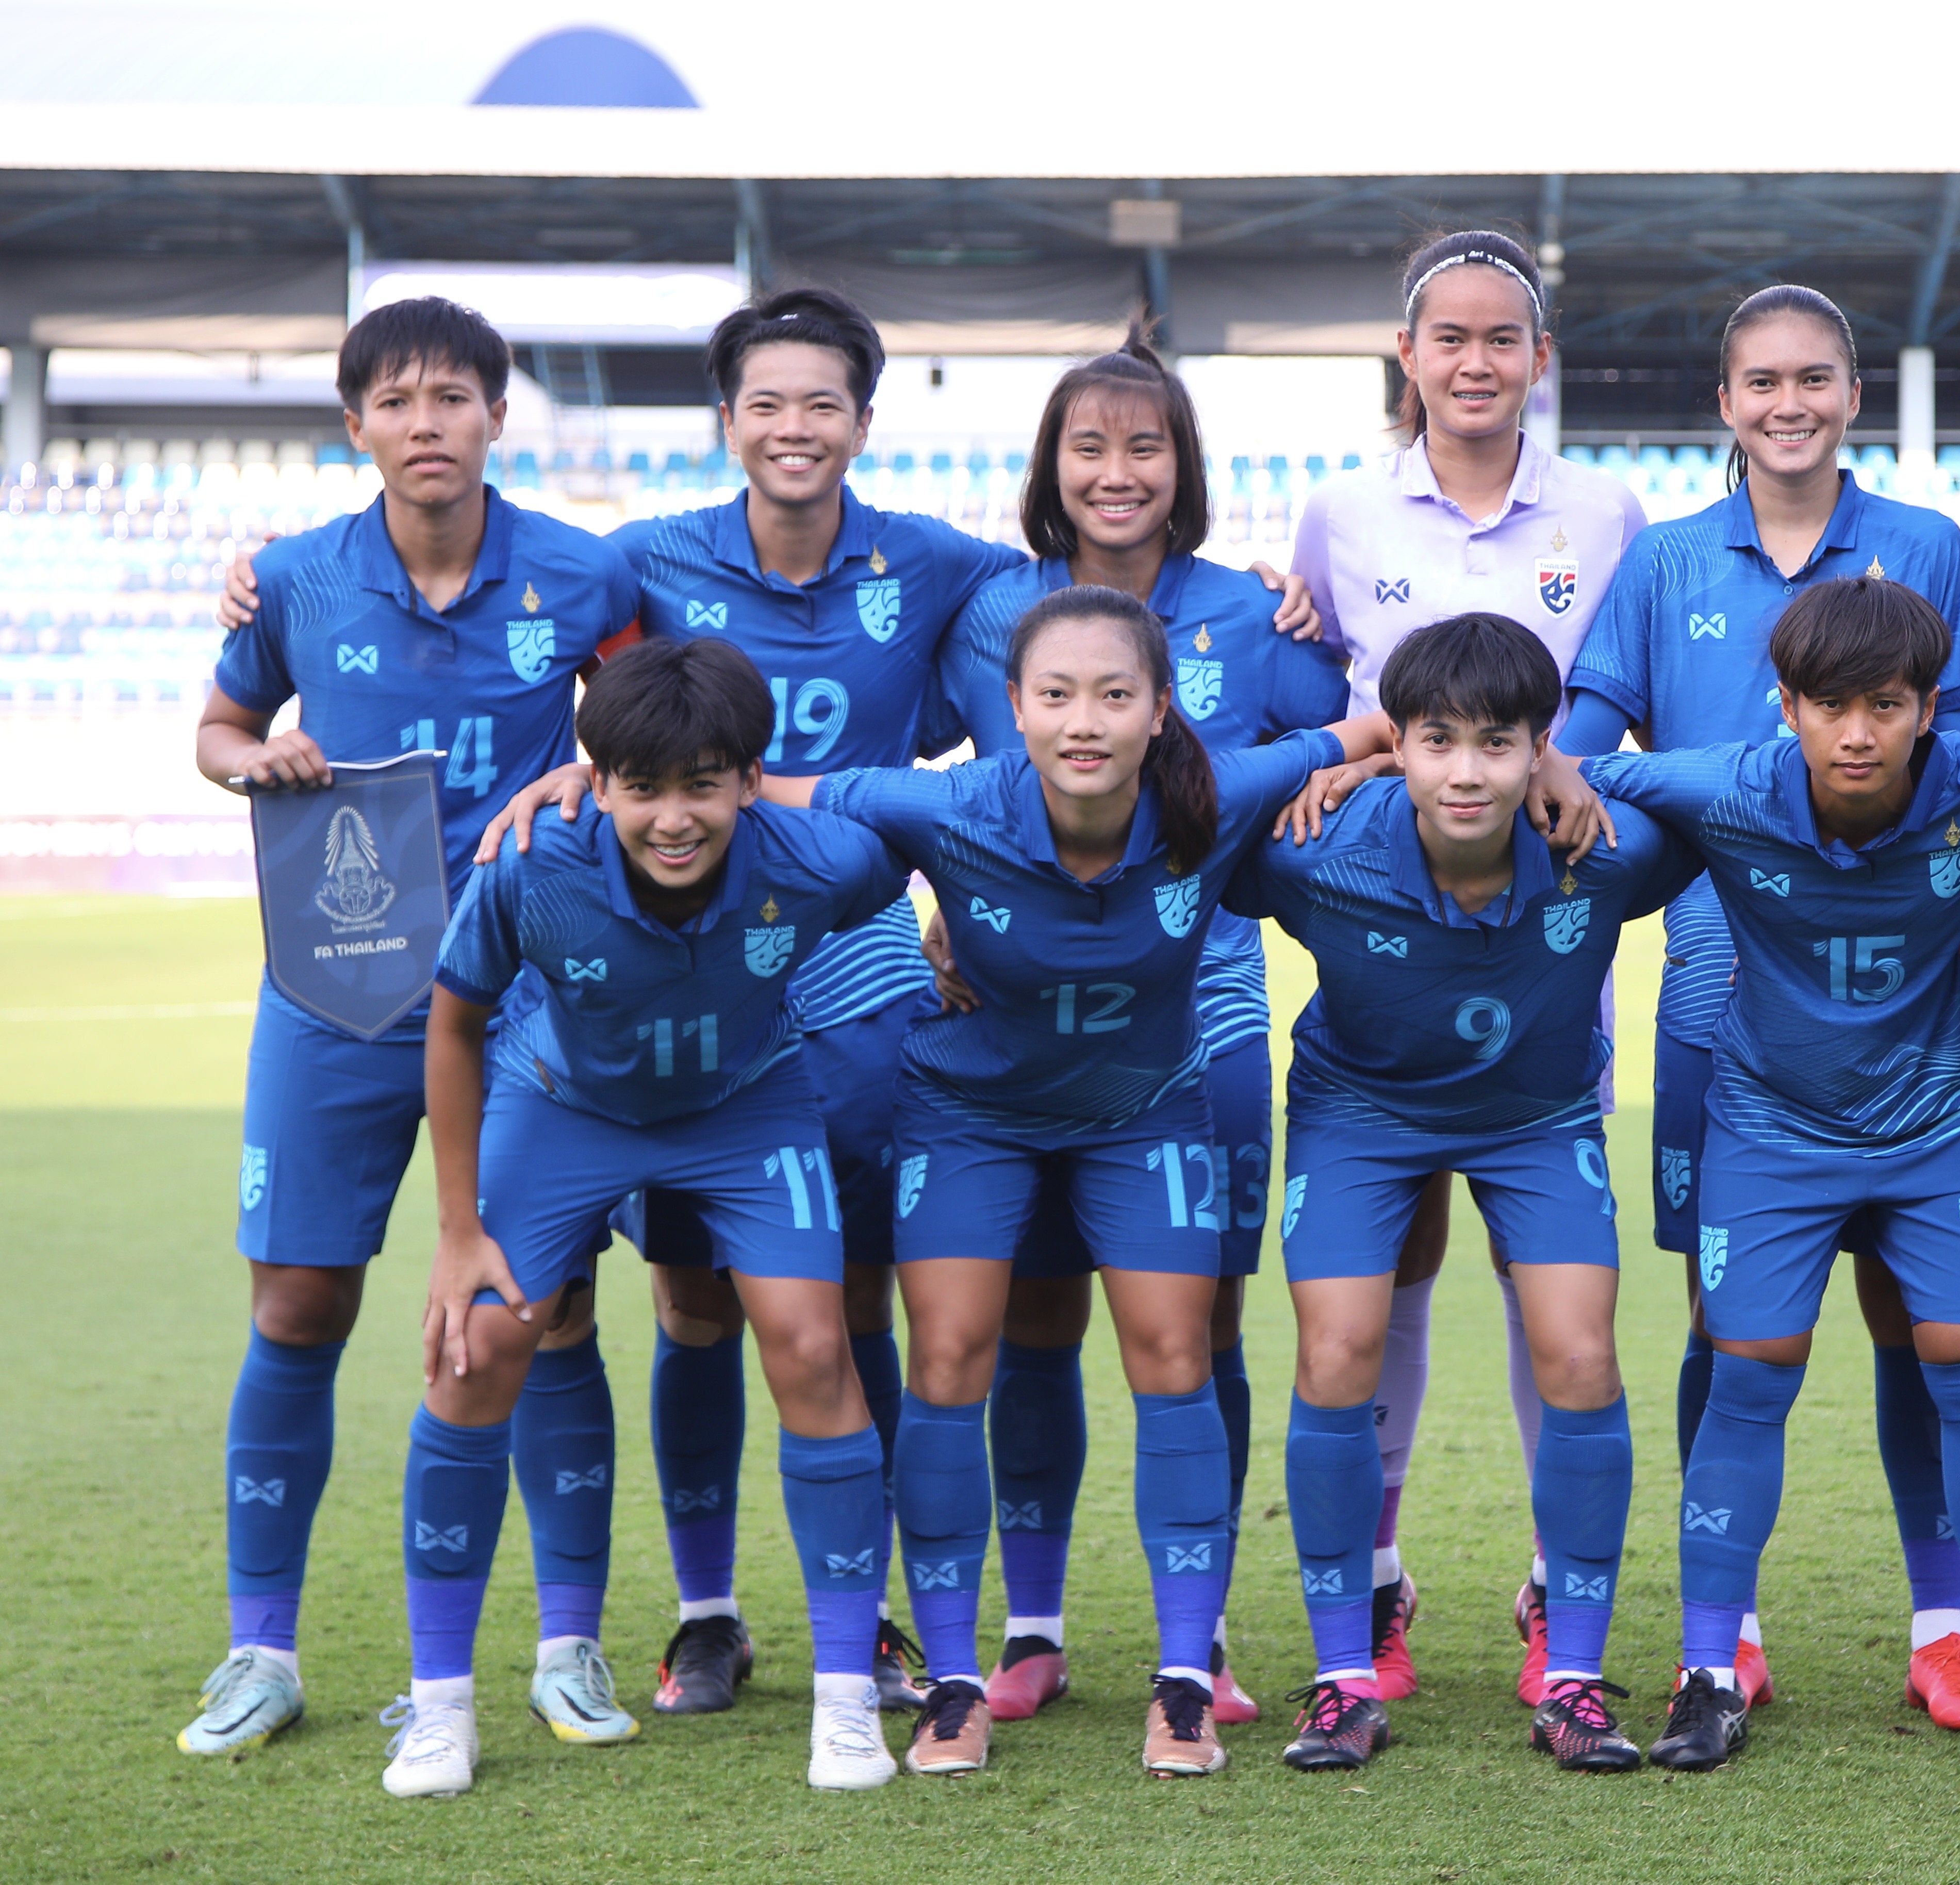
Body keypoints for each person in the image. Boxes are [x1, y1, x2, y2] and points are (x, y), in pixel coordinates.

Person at [226, 293, 1322, 1721]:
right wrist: (277, 585)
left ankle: (876, 1622)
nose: (794, 429)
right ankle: (704, 1614)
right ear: (727, 422)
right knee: (689, 1298)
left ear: (864, 424)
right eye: (766, 403)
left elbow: (1096, 613)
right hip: (679, 936)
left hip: (849, 940)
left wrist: (1268, 589)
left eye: (822, 405)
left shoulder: (943, 566)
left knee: (848, 1288)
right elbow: (580, 660)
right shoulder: (635, 560)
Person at [759, 585, 1405, 1778]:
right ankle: (955, 1683)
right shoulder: (951, 802)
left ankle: (1183, 1679)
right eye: (1054, 695)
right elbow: (760, 788)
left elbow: (1379, 730)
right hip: (969, 1114)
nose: (1083, 721)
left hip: (1138, 1112)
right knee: (949, 1358)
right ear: (1013, 707)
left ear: (1160, 709)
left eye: (1114, 694)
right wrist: (591, 778)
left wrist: (1367, 769)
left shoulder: (1220, 791)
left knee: (1173, 1354)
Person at [180, 297, 641, 1760]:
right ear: (355, 424)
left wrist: (584, 774)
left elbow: (647, 732)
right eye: (395, 401)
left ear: (497, 415)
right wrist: (257, 759)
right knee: (297, 1308)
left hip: (526, 998)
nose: (425, 423)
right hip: (337, 989)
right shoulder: (295, 579)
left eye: (452, 397)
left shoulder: (585, 573)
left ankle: (568, 1644)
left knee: (542, 1312)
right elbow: (215, 732)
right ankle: (260, 1651)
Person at [1555, 283, 1960, 1723]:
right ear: (1724, 402)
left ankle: (1944, 1626)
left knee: (1921, 1321)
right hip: (1719, 985)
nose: (1788, 402)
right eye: (1761, 380)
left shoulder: (1925, 547)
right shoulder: (1664, 559)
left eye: (1814, 377)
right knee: (1726, 1323)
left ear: (1852, 395)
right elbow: (1575, 748)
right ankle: (1727, 1630)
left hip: (1909, 996)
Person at [1578, 576, 1960, 1776]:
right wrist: (1369, 760)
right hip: (1770, 1128)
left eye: (1885, 704)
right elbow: (1570, 772)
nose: (1858, 732)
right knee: (1746, 1374)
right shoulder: (1722, 784)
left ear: (1929, 707)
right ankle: (1708, 1674)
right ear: (1786, 707)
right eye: (1829, 706)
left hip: (1941, 1123)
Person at [915, 331, 1349, 1727]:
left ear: (1184, 465)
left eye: (1144, 444)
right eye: (1087, 445)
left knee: (1198, 1323)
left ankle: (1196, 1639)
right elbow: (930, 780)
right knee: (1033, 1320)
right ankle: (1030, 1629)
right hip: (1016, 1007)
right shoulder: (987, 607)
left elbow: (1344, 750)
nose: (1116, 470)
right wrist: (941, 910)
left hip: (1198, 1000)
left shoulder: (1254, 613)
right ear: (1049, 466)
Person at [397, 635, 914, 1796]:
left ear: (749, 779)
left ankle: (844, 1705)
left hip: (747, 1105)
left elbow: (932, 862)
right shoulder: (532, 865)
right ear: (599, 783)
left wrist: (955, 943)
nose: (673, 818)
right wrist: (457, 1230)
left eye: (702, 786)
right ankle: (437, 1709)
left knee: (814, 1347)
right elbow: (454, 1022)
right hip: (564, 1105)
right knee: (474, 1347)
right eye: (642, 788)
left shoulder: (821, 858)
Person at [1228, 613, 1692, 1773]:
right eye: (1436, 740)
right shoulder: (1315, 846)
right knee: (1337, 1348)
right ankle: (1342, 1678)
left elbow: (1750, 803)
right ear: (1399, 744)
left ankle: (1571, 1672)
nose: (1468, 771)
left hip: (1535, 1115)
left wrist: (1591, 771)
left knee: (1579, 1353)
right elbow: (1175, 831)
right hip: (1358, 1111)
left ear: (1540, 746)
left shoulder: (1609, 847)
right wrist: (1335, 760)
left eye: (1499, 742)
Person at [1283, 228, 1646, 1702]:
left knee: (1542, 1286)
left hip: (1539, 924)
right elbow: (1325, 682)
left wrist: (1557, 766)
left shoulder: (1607, 511)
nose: (1477, 362)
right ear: (1408, 354)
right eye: (1451, 337)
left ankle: (1558, 1591)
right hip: (1387, 924)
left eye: (1504, 338)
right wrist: (1359, 767)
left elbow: (1612, 692)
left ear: (1540, 358)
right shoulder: (1339, 511)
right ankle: (1373, 1581)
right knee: (1390, 1270)